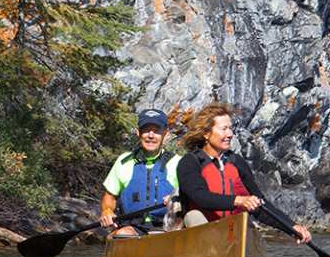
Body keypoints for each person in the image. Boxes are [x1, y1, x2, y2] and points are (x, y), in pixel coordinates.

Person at [177, 102, 312, 243]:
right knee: (193, 215)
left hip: (231, 234)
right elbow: (200, 197)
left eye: (230, 128)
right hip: (203, 234)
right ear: (206, 133)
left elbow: (260, 206)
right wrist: (239, 200)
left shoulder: (237, 162)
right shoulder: (189, 163)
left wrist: (292, 227)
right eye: (224, 129)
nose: (230, 134)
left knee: (247, 221)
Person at [99, 108, 181, 236]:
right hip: (132, 227)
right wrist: (107, 210)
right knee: (122, 234)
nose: (151, 135)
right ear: (138, 132)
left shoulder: (178, 163)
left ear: (165, 134)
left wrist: (176, 198)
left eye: (156, 130)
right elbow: (109, 196)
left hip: (167, 228)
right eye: (146, 130)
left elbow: (191, 196)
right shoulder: (123, 162)